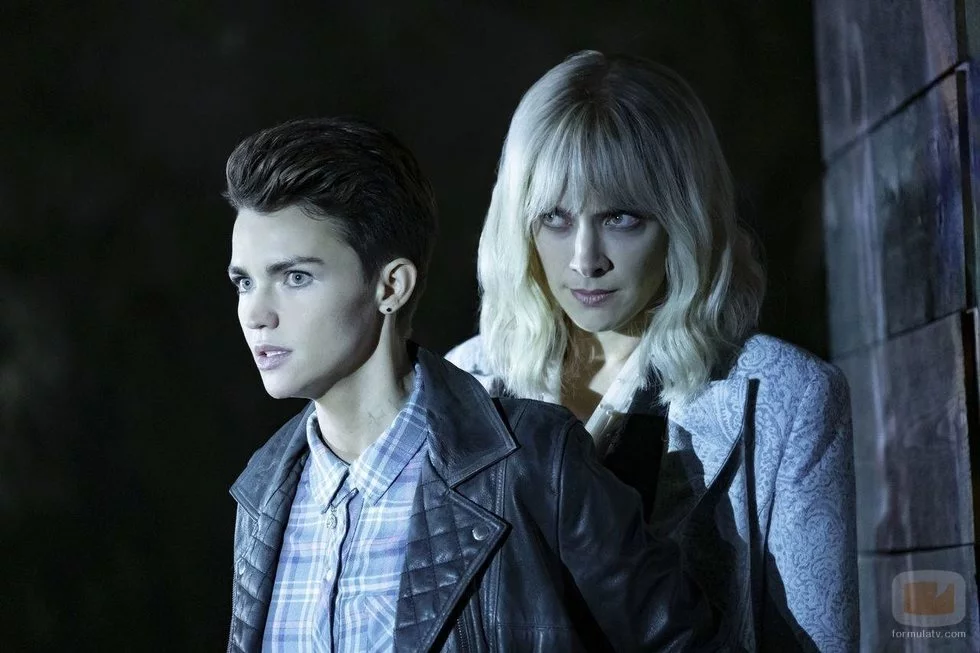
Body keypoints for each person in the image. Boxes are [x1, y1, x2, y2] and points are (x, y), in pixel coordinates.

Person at [222, 116, 722, 652]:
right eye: (244, 282)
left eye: (295, 277)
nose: (255, 314)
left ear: (391, 286)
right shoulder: (264, 490)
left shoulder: (537, 463)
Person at [446, 50, 858, 652]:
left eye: (620, 217)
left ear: (684, 219)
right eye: (555, 218)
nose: (586, 259)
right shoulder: (463, 384)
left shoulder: (788, 397)